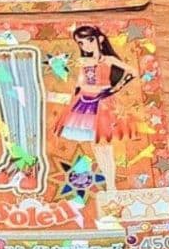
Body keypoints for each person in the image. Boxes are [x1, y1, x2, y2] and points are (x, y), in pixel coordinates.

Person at [54, 25, 137, 192]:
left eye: (89, 40)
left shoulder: (108, 60)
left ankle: (112, 185)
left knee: (105, 145)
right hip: (85, 102)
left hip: (104, 102)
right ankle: (110, 185)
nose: (86, 45)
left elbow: (132, 71)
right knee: (96, 145)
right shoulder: (84, 61)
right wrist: (74, 97)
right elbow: (80, 83)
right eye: (81, 43)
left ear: (100, 39)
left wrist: (116, 88)